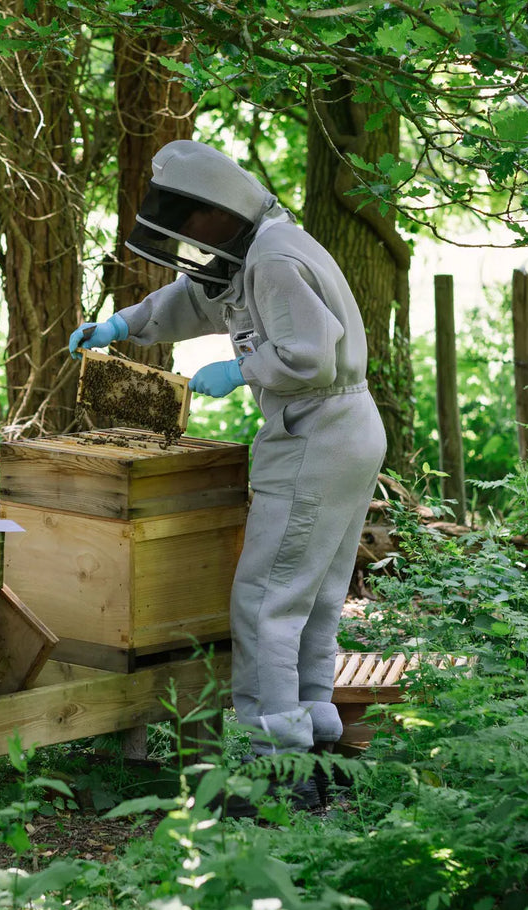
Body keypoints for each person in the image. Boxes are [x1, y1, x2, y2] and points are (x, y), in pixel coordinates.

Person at [69, 140, 386, 808]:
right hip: (342, 430)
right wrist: (123, 323)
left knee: (265, 600)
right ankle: (312, 747)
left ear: (216, 211)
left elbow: (310, 357)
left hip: (314, 430)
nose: (188, 239)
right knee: (313, 599)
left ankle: (270, 772)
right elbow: (196, 297)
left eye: (191, 223)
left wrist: (239, 371)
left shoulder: (272, 259)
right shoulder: (258, 249)